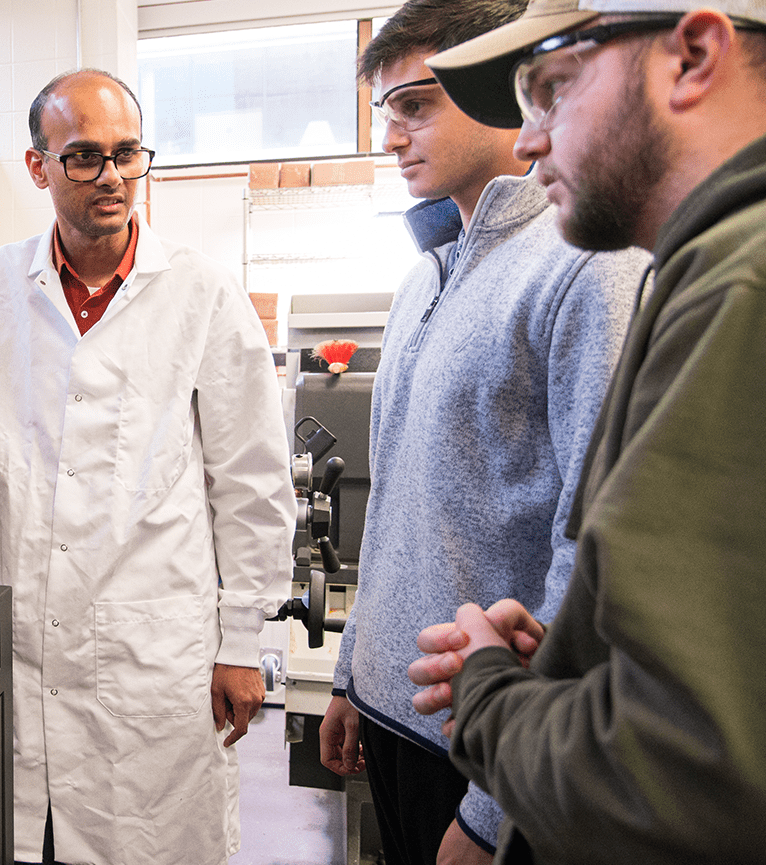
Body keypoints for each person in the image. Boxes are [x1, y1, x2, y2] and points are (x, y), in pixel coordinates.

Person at [0, 70, 297, 865]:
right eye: (84, 156)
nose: (112, 175)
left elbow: (252, 484)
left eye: (126, 153)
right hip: (24, 641)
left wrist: (242, 641)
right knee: (30, 839)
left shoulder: (202, 294)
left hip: (155, 656)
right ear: (37, 166)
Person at [403, 3, 766, 863]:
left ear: (694, 55)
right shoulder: (705, 273)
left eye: (552, 88)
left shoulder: (738, 291)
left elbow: (678, 775)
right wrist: (578, 659)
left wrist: (490, 696)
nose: (527, 144)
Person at [318, 3, 651, 864]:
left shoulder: (587, 264)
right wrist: (354, 674)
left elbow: (596, 556)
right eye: (383, 112)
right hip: (394, 715)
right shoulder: (424, 273)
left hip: (489, 749)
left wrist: (497, 806)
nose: (390, 137)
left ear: (503, 88)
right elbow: (391, 500)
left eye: (415, 106)